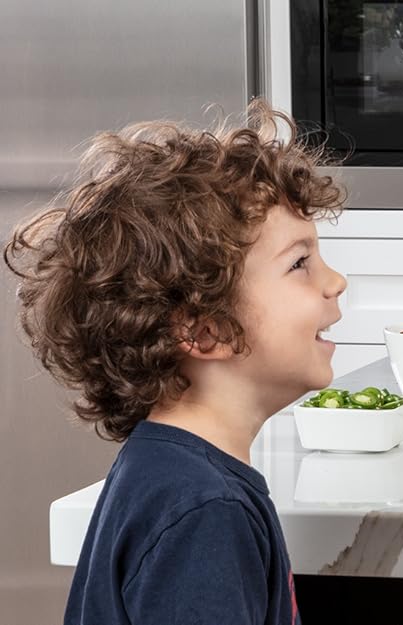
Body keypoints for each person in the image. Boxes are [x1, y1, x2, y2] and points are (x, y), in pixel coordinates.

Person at [5, 101, 348, 625]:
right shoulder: (204, 513)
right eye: (300, 263)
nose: (334, 281)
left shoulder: (176, 474)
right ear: (203, 330)